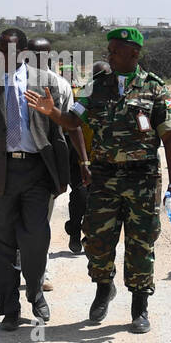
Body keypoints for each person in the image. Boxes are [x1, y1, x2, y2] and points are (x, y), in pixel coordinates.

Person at [30, 28, 171, 334]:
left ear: (134, 54)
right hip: (104, 178)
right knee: (97, 243)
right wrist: (54, 113)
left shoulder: (155, 88)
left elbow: (169, 136)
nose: (109, 56)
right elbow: (74, 121)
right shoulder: (96, 86)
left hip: (142, 179)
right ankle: (104, 289)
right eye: (109, 50)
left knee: (141, 244)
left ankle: (140, 306)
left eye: (114, 51)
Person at [0, 29, 73, 329]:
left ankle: (35, 293)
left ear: (23, 53)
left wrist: (67, 173)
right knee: (0, 246)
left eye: (9, 50)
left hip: (36, 171)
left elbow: (59, 129)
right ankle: (9, 308)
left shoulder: (46, 81)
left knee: (35, 239)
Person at [27, 36, 89, 291]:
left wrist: (84, 160)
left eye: (43, 55)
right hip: (14, 162)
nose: (38, 60)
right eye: (33, 54)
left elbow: (72, 124)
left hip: (45, 163)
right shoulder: (11, 82)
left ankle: (41, 270)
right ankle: (18, 263)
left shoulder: (60, 86)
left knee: (41, 220)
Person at [65, 60, 109, 254]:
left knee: (99, 200)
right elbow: (71, 124)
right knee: (80, 196)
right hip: (79, 156)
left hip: (105, 160)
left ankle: (89, 235)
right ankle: (74, 229)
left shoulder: (118, 97)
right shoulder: (82, 97)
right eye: (98, 77)